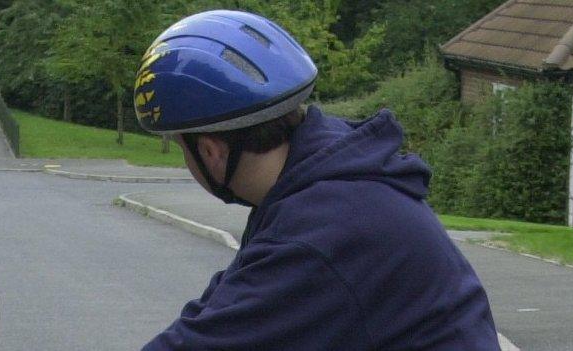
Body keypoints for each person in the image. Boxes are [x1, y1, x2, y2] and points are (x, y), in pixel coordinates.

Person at [134, 9, 501, 351]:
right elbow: (220, 307)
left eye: (183, 147)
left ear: (210, 151)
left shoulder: (320, 232)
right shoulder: (319, 185)